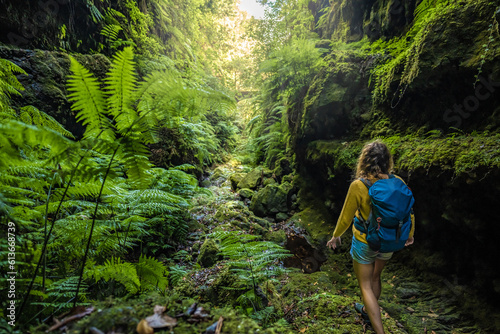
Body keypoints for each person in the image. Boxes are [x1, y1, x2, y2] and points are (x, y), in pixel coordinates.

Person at [326, 140, 415, 334]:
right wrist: (410, 235)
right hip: (390, 240)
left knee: (365, 286)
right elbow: (409, 212)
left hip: (366, 241)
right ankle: (368, 309)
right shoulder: (398, 182)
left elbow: (345, 218)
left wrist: (335, 236)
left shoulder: (359, 185)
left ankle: (379, 331)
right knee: (376, 277)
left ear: (364, 161)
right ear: (387, 161)